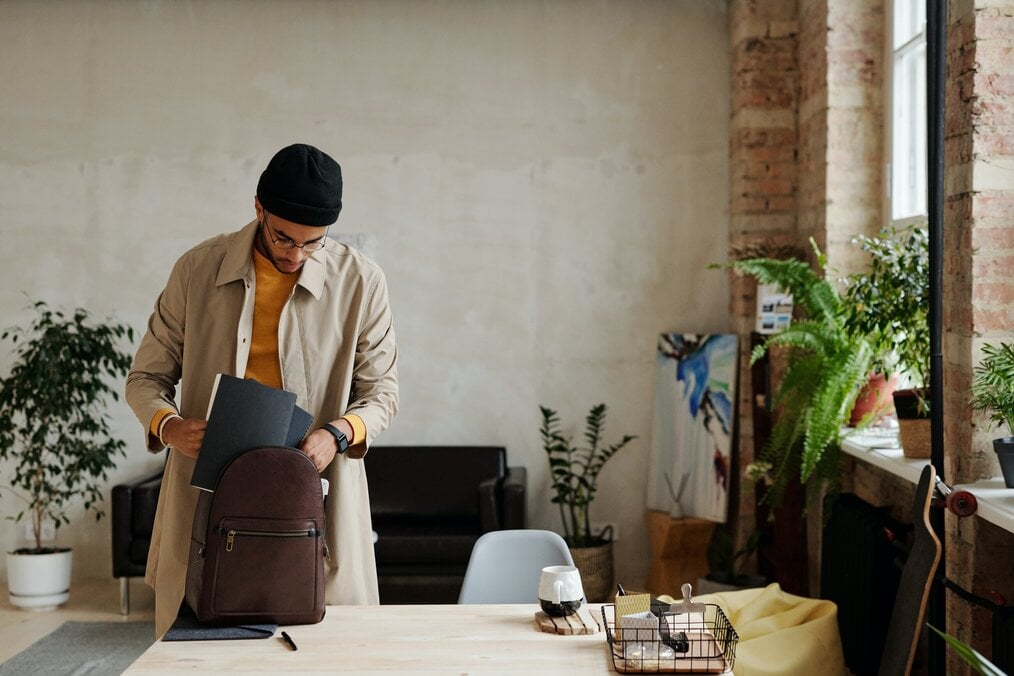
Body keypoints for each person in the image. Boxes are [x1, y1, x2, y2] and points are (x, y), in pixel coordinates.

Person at [126, 143, 399, 637]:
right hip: (210, 487)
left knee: (322, 644)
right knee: (200, 641)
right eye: (283, 238)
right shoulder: (197, 270)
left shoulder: (361, 281)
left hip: (313, 487)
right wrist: (169, 427)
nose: (296, 255)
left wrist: (338, 433)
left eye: (313, 243)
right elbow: (145, 378)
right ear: (258, 208)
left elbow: (382, 393)